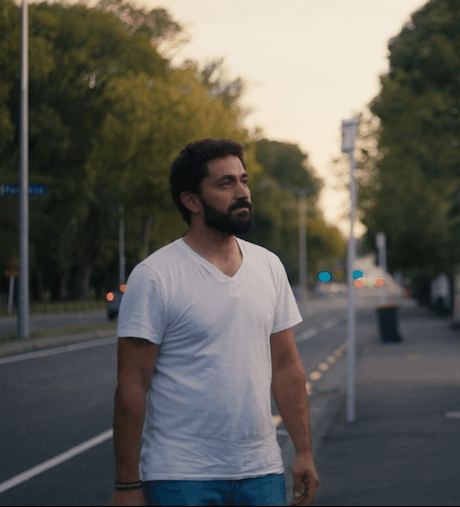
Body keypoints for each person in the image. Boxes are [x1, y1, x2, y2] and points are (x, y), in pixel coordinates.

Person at [109, 138, 319, 506]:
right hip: (180, 477)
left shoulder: (269, 266)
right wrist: (127, 486)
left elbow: (286, 367)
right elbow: (132, 383)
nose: (242, 192)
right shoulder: (156, 275)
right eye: (226, 184)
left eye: (244, 180)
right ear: (191, 200)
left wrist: (303, 451)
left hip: (261, 472)